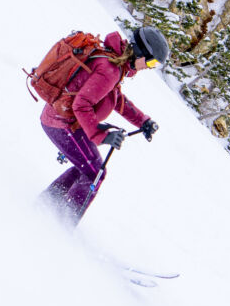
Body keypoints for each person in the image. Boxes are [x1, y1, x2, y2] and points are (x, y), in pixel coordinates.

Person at [39, 26, 168, 225]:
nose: (149, 67)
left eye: (155, 65)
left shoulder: (114, 64)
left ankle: (46, 206)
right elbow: (81, 105)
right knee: (96, 172)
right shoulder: (110, 69)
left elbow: (114, 99)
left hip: (64, 119)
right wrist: (101, 136)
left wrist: (143, 121)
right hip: (62, 123)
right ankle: (62, 224)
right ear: (140, 52)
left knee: (88, 167)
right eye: (150, 61)